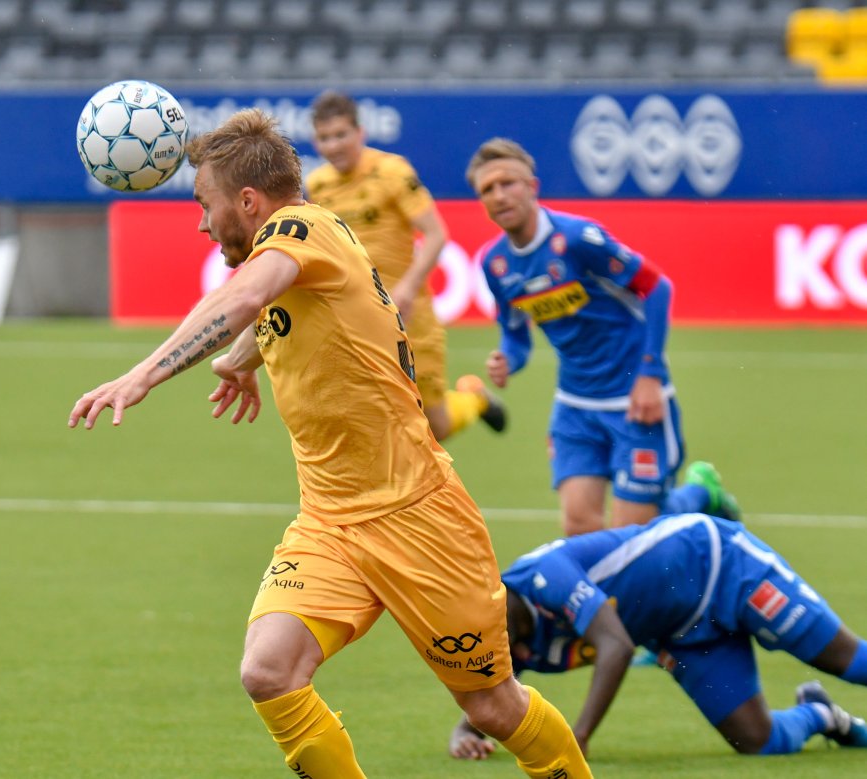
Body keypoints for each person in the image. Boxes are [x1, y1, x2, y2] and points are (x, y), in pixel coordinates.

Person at [68, 109, 591, 778]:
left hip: (417, 517)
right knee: (268, 670)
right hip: (330, 520)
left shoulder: (300, 228)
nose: (202, 223)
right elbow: (295, 310)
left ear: (249, 202)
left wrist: (143, 373)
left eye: (206, 205)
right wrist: (244, 358)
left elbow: (246, 293)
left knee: (491, 705)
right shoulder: (308, 240)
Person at [448, 509, 867, 761]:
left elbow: (616, 647)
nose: (495, 649)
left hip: (724, 566)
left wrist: (579, 736)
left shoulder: (546, 577)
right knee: (756, 740)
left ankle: (699, 498)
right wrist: (467, 731)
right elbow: (496, 689)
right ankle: (824, 715)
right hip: (683, 634)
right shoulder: (511, 635)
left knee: (851, 663)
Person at [468, 137, 682, 537]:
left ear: (532, 187)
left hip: (634, 397)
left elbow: (656, 287)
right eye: (487, 189)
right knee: (579, 530)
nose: (499, 195)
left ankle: (700, 498)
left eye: (508, 183)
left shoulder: (578, 239)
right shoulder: (495, 264)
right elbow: (516, 337)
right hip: (574, 405)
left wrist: (650, 375)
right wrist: (506, 360)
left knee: (629, 540)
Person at [306, 91, 505, 443]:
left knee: (435, 427)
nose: (333, 145)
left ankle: (473, 397)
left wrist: (408, 288)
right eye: (324, 138)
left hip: (410, 315)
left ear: (360, 133)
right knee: (375, 420)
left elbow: (435, 235)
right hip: (358, 319)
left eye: (341, 135)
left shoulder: (392, 172)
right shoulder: (318, 185)